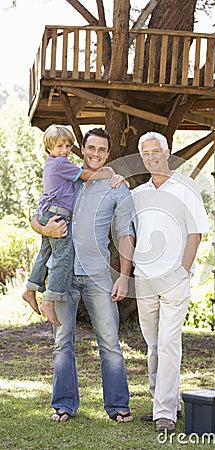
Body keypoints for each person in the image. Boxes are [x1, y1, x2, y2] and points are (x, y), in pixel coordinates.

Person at [30, 127, 135, 423]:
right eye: (91, 148)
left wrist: (124, 275)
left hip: (98, 276)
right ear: (83, 149)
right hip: (62, 276)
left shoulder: (116, 187)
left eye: (102, 150)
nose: (96, 154)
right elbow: (37, 213)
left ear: (108, 153)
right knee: (62, 342)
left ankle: (118, 406)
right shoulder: (67, 176)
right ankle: (64, 404)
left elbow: (126, 233)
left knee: (110, 342)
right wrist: (43, 228)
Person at [131, 131, 210, 433]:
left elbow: (196, 233)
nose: (151, 158)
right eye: (145, 154)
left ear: (167, 152)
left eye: (156, 152)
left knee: (167, 343)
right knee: (152, 345)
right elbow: (130, 232)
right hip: (145, 279)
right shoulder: (137, 195)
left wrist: (183, 271)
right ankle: (163, 401)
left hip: (175, 279)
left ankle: (165, 413)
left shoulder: (186, 189)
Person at [22, 124, 117, 326]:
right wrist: (107, 173)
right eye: (59, 146)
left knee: (45, 253)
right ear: (49, 148)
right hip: (58, 216)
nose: (64, 150)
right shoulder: (61, 164)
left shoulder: (54, 163)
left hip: (48, 213)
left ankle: (31, 289)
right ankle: (50, 299)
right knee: (62, 258)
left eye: (67, 146)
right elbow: (85, 175)